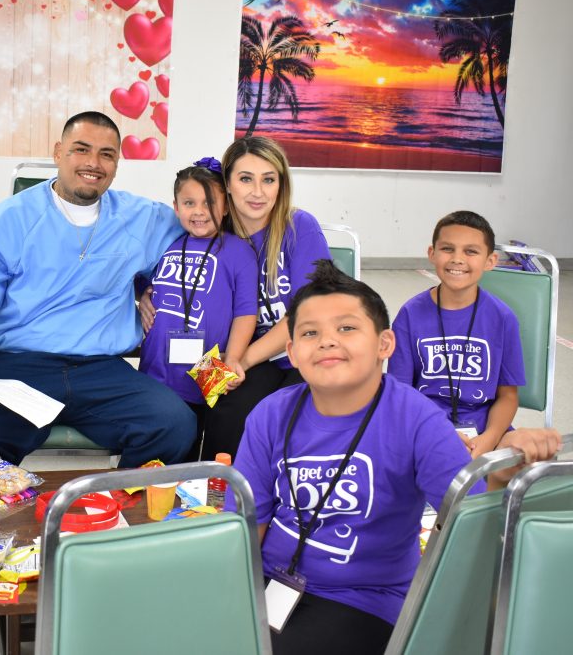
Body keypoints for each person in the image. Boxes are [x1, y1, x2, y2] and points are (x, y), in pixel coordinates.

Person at [233, 260, 560, 655]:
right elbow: (252, 523)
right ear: (292, 352)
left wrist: (502, 478)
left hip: (360, 599)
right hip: (269, 582)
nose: (327, 341)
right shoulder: (271, 413)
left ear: (385, 344)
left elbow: (469, 520)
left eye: (347, 327)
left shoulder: (417, 419)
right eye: (309, 333)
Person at [0, 111, 197, 474]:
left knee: (175, 424)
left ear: (117, 163)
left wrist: (153, 286)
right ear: (58, 152)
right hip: (20, 367)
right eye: (81, 149)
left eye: (107, 154)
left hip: (102, 370)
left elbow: (199, 236)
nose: (93, 163)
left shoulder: (141, 217)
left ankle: (115, 509)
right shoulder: (11, 218)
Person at [138, 158, 257, 458]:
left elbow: (245, 312)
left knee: (196, 455)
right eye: (189, 203)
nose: (199, 212)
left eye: (209, 202)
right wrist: (142, 297)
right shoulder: (167, 244)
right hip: (155, 369)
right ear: (176, 207)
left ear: (226, 207)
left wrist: (232, 359)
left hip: (207, 370)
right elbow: (136, 278)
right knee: (157, 453)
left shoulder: (238, 250)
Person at [388, 211, 524, 459]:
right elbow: (400, 394)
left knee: (525, 458)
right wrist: (435, 432)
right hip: (424, 425)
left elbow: (507, 396)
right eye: (448, 249)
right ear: (432, 253)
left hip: (486, 432)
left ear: (490, 261)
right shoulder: (410, 314)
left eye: (471, 252)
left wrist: (489, 438)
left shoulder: (503, 318)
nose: (457, 259)